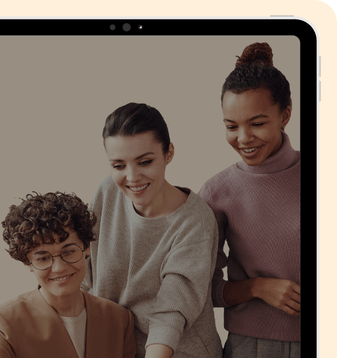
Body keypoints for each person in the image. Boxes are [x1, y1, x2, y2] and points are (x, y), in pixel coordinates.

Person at [82, 102, 223, 358]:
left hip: (177, 351)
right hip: (116, 349)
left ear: (168, 153)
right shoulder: (107, 193)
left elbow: (172, 310)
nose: (132, 177)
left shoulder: (194, 222)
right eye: (118, 166)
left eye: (144, 161)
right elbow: (84, 275)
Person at [198, 42, 300, 358]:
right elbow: (201, 290)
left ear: (285, 114)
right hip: (252, 348)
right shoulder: (217, 192)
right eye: (231, 126)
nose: (243, 138)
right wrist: (257, 287)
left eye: (256, 123)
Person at [0, 192, 137, 358]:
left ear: (87, 247)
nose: (59, 268)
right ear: (27, 263)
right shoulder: (1, 323)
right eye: (43, 258)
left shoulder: (119, 320)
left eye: (69, 251)